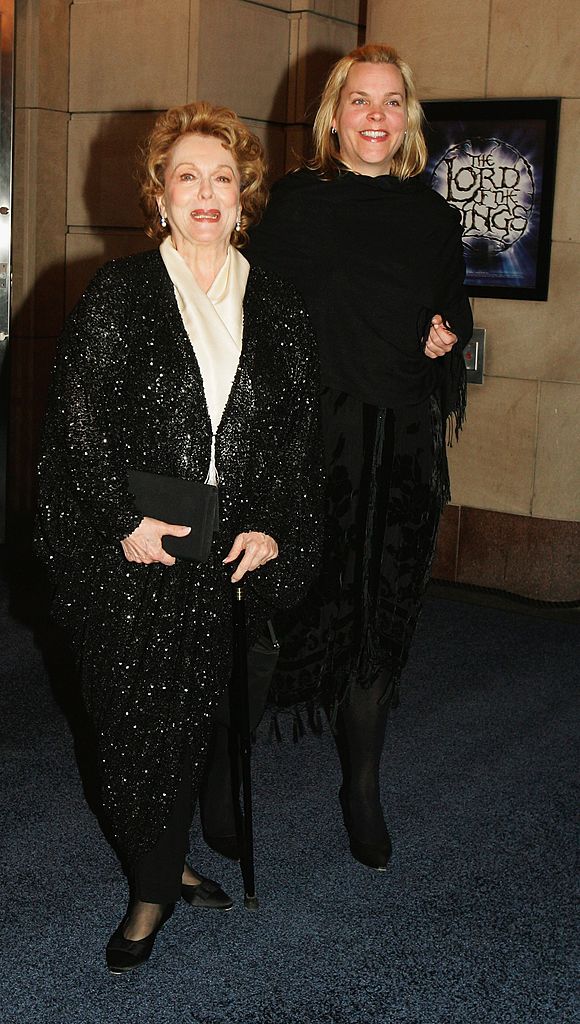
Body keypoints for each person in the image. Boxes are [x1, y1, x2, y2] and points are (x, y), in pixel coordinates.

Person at [35, 101, 323, 973]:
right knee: (130, 729)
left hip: (227, 555)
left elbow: (295, 437)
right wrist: (121, 524)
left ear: (246, 197)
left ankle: (172, 856)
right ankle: (153, 883)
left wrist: (274, 524)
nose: (206, 193)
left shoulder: (276, 306)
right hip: (130, 556)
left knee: (197, 723)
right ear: (159, 195)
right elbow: (72, 429)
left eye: (224, 178)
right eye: (187, 177)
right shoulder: (118, 294)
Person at [202, 43, 473, 872]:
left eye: (393, 103)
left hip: (401, 450)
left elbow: (452, 316)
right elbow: (248, 320)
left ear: (409, 118)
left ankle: (361, 785)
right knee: (275, 617)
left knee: (377, 625)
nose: (377, 118)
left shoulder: (433, 218)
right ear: (334, 112)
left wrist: (445, 339)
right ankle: (221, 772)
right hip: (306, 448)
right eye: (362, 101)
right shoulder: (296, 204)